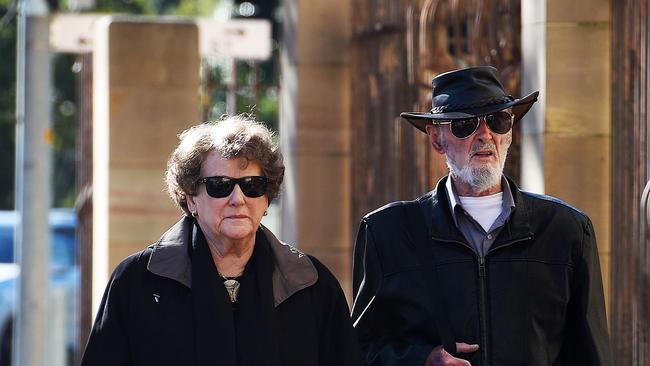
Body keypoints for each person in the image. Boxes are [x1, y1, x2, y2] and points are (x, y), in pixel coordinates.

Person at [351, 66, 613, 366]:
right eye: (465, 125)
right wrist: (421, 359)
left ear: (510, 132)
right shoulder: (388, 233)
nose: (485, 134)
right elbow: (357, 351)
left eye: (497, 120)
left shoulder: (567, 231)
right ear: (438, 140)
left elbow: (591, 355)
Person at [81, 115, 360, 366]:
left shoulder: (311, 284)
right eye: (219, 186)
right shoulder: (137, 282)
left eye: (252, 186)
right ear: (191, 198)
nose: (237, 200)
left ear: (266, 198)